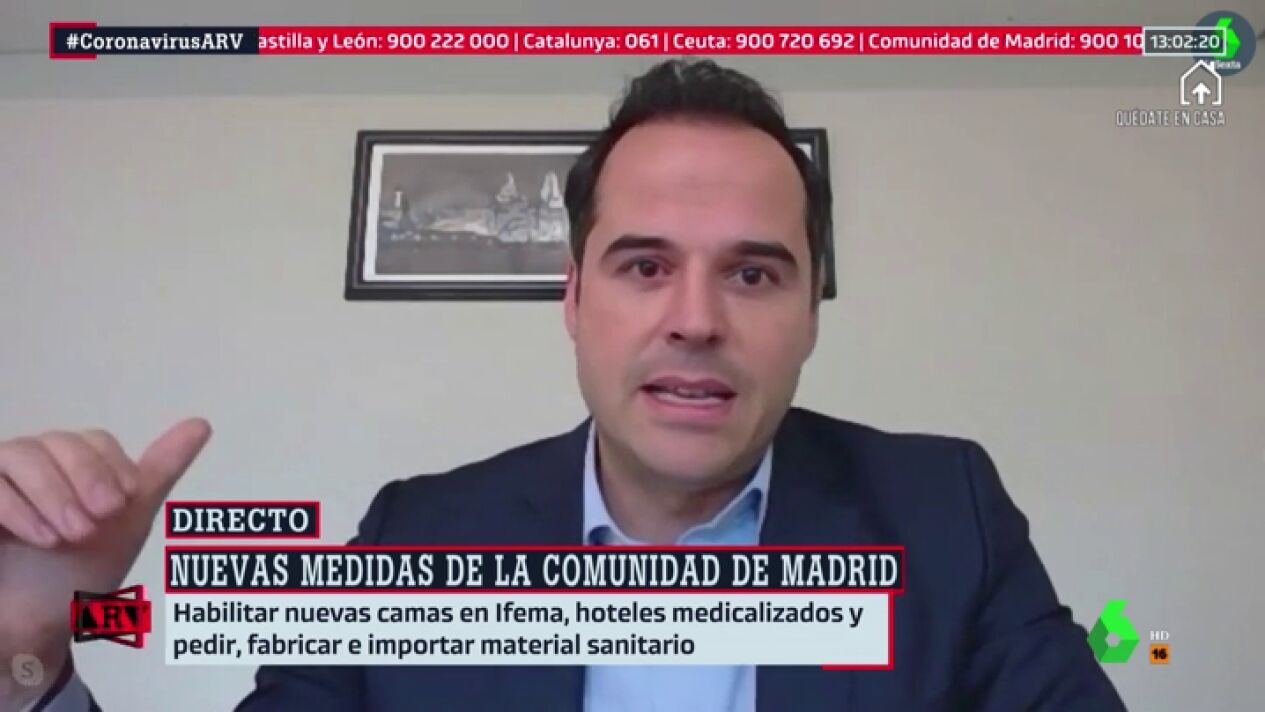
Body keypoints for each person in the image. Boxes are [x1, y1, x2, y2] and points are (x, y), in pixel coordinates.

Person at [0, 58, 1126, 711]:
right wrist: (29, 657)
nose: (696, 318)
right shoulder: (416, 538)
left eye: (752, 272)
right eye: (644, 266)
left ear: (809, 317)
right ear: (574, 300)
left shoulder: (944, 514)